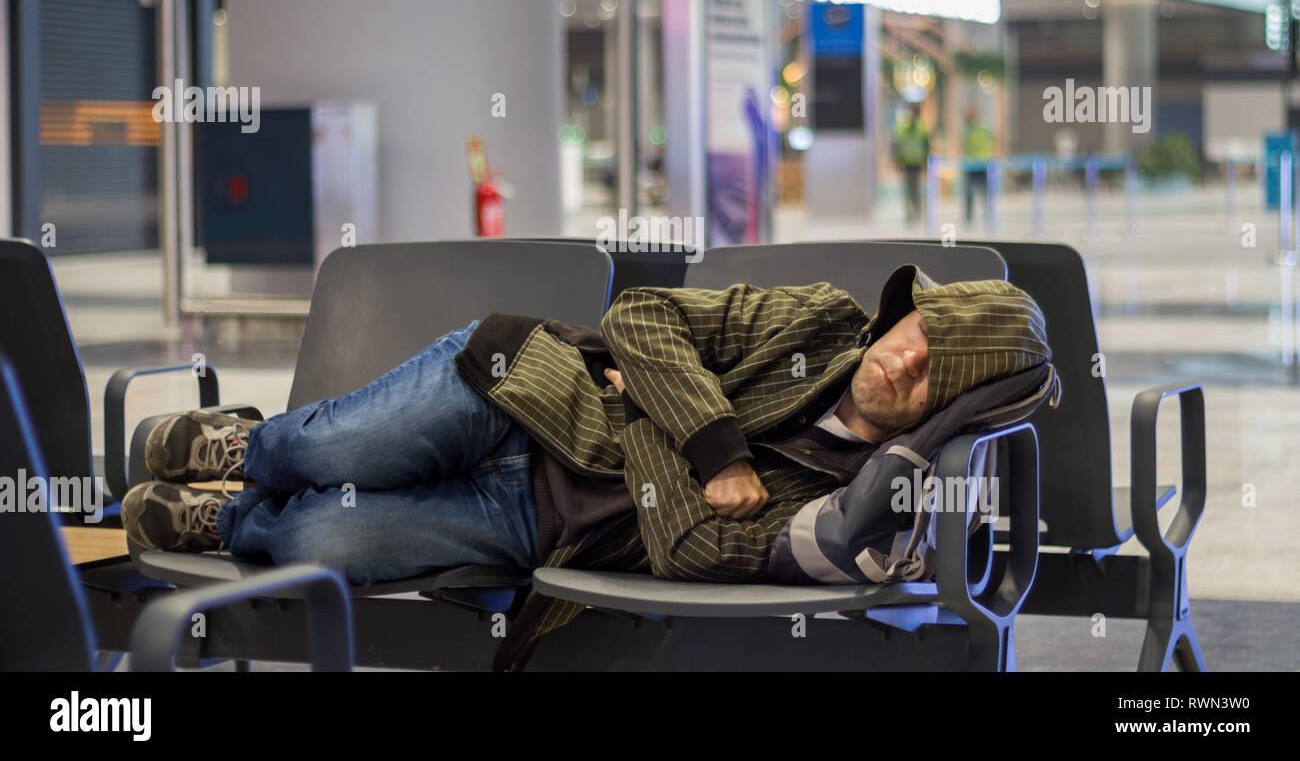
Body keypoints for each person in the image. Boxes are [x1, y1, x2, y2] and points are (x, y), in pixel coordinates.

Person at [122, 264, 1055, 661]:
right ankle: (248, 446)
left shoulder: (857, 501)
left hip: (544, 527)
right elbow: (643, 314)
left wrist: (650, 404)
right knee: (328, 448)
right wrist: (715, 447)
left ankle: (230, 517)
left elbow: (689, 548)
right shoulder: (815, 320)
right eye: (919, 327)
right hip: (517, 393)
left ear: (957, 407)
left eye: (940, 371)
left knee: (321, 536)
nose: (904, 356)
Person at [891, 105, 931, 225]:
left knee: (916, 189)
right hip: (906, 163)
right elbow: (897, 146)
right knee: (908, 189)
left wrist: (926, 162)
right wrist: (897, 162)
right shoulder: (903, 129)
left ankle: (917, 211)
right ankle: (909, 213)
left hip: (917, 163)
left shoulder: (922, 129)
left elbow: (926, 146)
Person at [962, 109, 995, 223]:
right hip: (982, 164)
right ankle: (987, 216)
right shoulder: (984, 129)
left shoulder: (970, 131)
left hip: (974, 165)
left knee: (971, 194)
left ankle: (970, 217)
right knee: (983, 193)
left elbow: (966, 147)